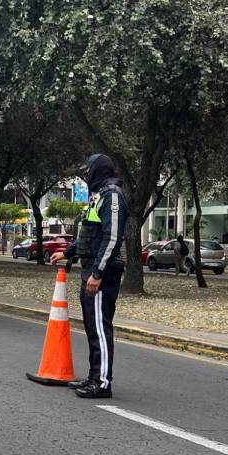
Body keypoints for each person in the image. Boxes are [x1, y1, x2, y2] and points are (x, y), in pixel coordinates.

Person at [50, 153, 129, 399]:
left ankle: (103, 382)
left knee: (100, 327)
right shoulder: (100, 196)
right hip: (90, 269)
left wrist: (97, 273)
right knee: (91, 326)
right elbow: (89, 234)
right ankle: (94, 376)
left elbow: (112, 238)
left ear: (99, 171)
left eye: (88, 172)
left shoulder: (112, 196)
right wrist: (67, 252)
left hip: (102, 272)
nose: (85, 177)